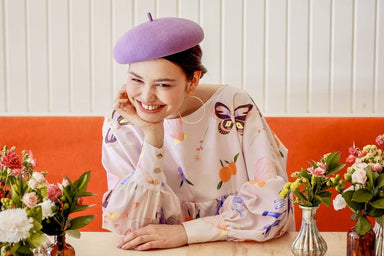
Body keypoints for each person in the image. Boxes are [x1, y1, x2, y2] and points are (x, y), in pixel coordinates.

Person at [101, 13, 294, 251]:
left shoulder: (234, 107)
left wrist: (184, 232)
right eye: (136, 80)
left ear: (192, 81)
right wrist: (153, 137)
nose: (146, 96)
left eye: (162, 84)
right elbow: (129, 224)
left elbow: (274, 207)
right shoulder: (122, 120)